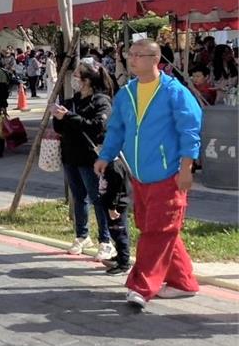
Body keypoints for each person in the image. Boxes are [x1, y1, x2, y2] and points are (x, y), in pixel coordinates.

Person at [95, 38, 202, 310]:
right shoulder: (127, 93)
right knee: (160, 230)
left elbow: (189, 131)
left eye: (138, 55)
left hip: (170, 175)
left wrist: (187, 168)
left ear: (155, 60)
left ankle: (141, 286)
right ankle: (183, 282)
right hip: (139, 176)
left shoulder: (174, 92)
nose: (131, 59)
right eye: (129, 54)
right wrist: (105, 156)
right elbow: (117, 129)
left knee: (158, 230)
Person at [51, 60, 118, 264]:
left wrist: (69, 117)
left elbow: (98, 126)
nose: (74, 79)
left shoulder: (101, 101)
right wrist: (59, 117)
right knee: (79, 198)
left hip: (90, 158)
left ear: (87, 80)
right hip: (70, 156)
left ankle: (106, 241)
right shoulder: (72, 100)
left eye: (78, 75)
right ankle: (82, 235)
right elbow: (61, 128)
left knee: (97, 198)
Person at [98, 152, 132, 275]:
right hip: (110, 204)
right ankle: (119, 257)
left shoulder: (114, 167)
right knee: (114, 232)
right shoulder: (109, 163)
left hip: (117, 206)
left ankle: (124, 264)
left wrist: (112, 207)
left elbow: (115, 191)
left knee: (120, 234)